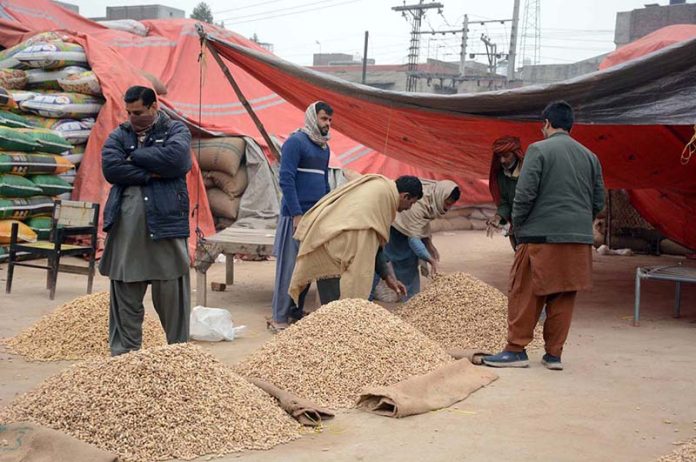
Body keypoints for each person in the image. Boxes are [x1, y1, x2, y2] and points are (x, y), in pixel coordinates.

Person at [483, 100, 605, 371]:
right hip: (578, 240)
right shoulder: (590, 156)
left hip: (541, 237)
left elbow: (524, 195)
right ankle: (553, 355)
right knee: (563, 296)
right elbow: (599, 201)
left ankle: (516, 350)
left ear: (547, 123)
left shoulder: (538, 150)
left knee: (525, 291)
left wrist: (521, 228)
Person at [99, 85, 192, 356]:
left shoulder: (176, 130)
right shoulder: (119, 134)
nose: (132, 118)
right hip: (126, 232)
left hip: (166, 228)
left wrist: (135, 157)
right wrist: (152, 173)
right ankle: (125, 359)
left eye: (138, 112)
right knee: (125, 294)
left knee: (172, 294)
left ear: (154, 107)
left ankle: (179, 357)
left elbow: (176, 161)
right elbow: (111, 168)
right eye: (128, 112)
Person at [289, 174, 423, 305]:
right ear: (405, 196)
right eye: (411, 203)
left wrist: (388, 278)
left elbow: (376, 244)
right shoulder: (381, 199)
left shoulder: (382, 188)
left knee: (336, 311)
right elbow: (369, 247)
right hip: (333, 250)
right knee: (337, 310)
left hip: (329, 240)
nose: (408, 208)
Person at [269, 101, 333, 331]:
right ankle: (279, 318)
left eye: (329, 120)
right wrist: (296, 214)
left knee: (307, 267)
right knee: (288, 269)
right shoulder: (295, 142)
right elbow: (286, 179)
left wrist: (326, 210)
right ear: (312, 117)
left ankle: (296, 313)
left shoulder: (324, 148)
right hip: (294, 216)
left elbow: (324, 183)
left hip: (314, 217)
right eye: (324, 118)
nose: (327, 124)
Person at [377, 180, 460, 301]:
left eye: (450, 205)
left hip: (408, 232)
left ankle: (410, 299)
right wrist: (431, 260)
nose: (447, 208)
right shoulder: (418, 205)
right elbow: (413, 239)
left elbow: (422, 225)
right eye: (446, 203)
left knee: (409, 265)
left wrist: (428, 243)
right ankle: (389, 293)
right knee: (386, 261)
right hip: (396, 229)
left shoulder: (433, 197)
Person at [486, 136, 525, 249]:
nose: (502, 160)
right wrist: (498, 217)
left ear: (516, 154)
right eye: (499, 157)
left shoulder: (529, 171)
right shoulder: (502, 175)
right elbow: (505, 202)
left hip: (533, 225)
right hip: (516, 227)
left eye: (506, 156)